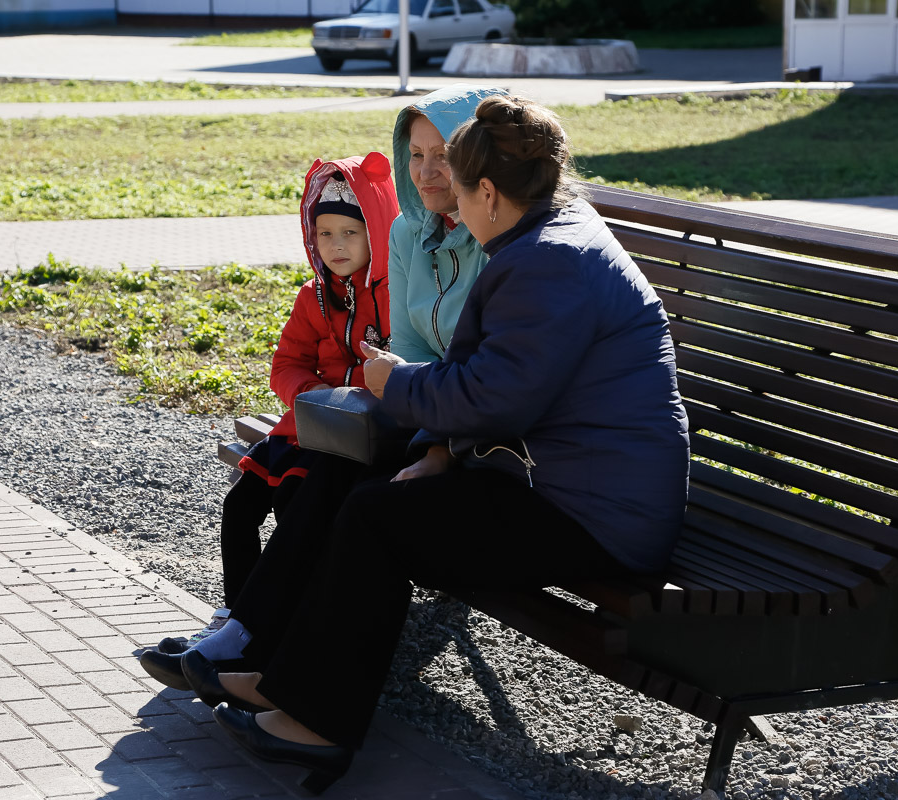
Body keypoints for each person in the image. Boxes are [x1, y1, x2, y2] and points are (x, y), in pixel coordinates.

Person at [180, 94, 691, 793]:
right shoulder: (550, 237)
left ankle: (319, 725)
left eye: (455, 181)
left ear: (486, 190)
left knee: (378, 519)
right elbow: (493, 390)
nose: (443, 192)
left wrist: (394, 380)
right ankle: (286, 683)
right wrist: (431, 430)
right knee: (372, 497)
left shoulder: (550, 261)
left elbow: (492, 396)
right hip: (559, 483)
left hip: (593, 516)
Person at [140, 85, 506, 669]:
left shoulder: (487, 245)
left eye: (445, 153)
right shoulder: (398, 245)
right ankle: (246, 634)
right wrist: (324, 398)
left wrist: (408, 415)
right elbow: (380, 355)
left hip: (444, 433)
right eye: (415, 154)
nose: (427, 170)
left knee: (332, 492)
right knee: (281, 495)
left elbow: (472, 368)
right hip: (371, 419)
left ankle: (280, 650)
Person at [137, 152, 399, 688]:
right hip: (303, 428)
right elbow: (286, 362)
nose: (337, 246)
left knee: (294, 504)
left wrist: (351, 394)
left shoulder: (390, 300)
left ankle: (266, 628)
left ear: (376, 233)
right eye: (325, 233)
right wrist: (310, 395)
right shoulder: (314, 296)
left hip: (346, 443)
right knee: (240, 505)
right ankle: (236, 616)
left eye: (351, 232)